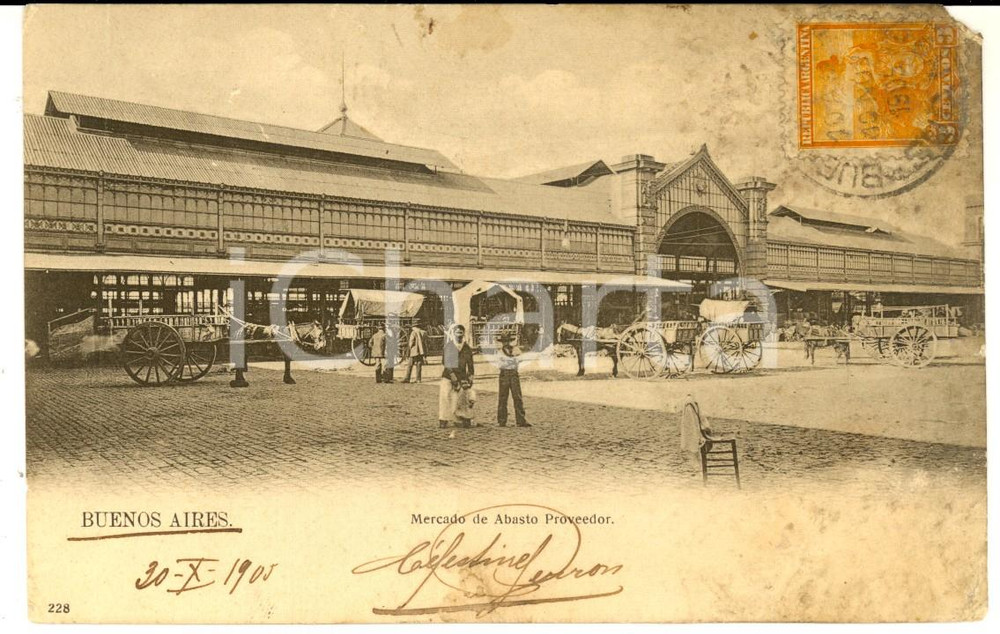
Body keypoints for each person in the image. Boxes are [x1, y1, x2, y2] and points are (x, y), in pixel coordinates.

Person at [439, 324, 476, 428]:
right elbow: (446, 363)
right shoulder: (449, 347)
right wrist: (453, 377)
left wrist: (470, 377)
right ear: (453, 334)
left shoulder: (467, 348)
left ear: (463, 334)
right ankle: (443, 419)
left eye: (461, 333)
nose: (459, 336)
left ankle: (464, 417)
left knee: (463, 397)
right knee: (445, 396)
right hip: (448, 375)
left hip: (462, 376)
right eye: (457, 333)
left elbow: (471, 365)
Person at [496, 334, 530, 427]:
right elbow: (500, 364)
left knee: (517, 397)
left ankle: (521, 420)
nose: (505, 343)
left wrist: (510, 360)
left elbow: (521, 359)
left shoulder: (515, 349)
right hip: (504, 375)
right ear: (502, 342)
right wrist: (513, 360)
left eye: (507, 341)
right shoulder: (499, 352)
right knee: (503, 397)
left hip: (514, 374)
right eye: (504, 341)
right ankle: (502, 421)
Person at [402, 319, 427, 383]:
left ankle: (407, 378)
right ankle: (418, 379)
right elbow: (425, 342)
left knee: (410, 365)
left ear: (414, 326)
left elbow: (411, 342)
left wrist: (408, 350)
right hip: (421, 351)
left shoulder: (413, 332)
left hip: (414, 351)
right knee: (419, 365)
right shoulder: (424, 332)